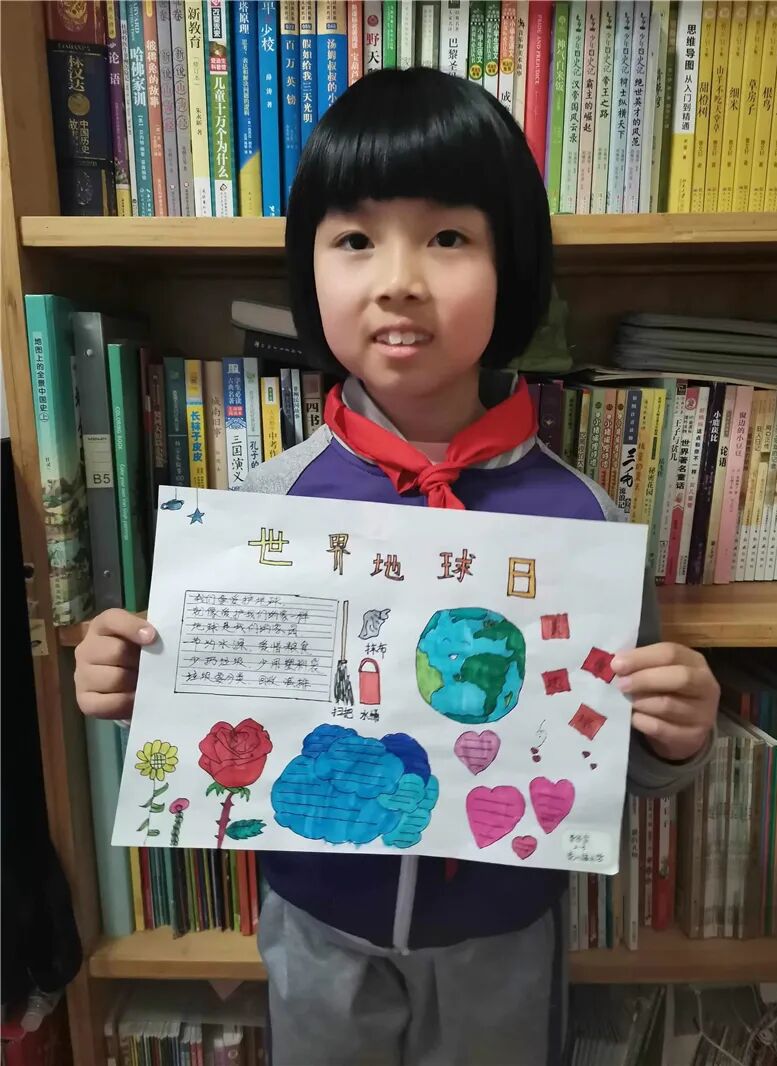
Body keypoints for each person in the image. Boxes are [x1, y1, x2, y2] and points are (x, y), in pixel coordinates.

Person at [75, 67, 719, 1066]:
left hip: (504, 939)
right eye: (354, 240)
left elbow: (615, 754)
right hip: (317, 929)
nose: (398, 279)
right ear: (309, 269)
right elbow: (218, 716)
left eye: (448, 237)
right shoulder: (261, 511)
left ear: (513, 265)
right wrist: (133, 683)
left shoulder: (580, 523)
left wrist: (675, 739)